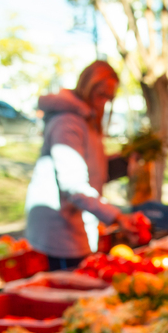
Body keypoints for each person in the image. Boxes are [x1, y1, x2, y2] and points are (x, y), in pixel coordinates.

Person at [24, 61, 140, 270]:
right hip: (59, 227)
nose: (103, 103)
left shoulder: (87, 120)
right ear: (88, 86)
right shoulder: (68, 122)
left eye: (108, 98)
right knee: (70, 283)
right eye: (100, 95)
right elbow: (73, 185)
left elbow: (92, 168)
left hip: (76, 223)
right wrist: (116, 216)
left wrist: (124, 162)